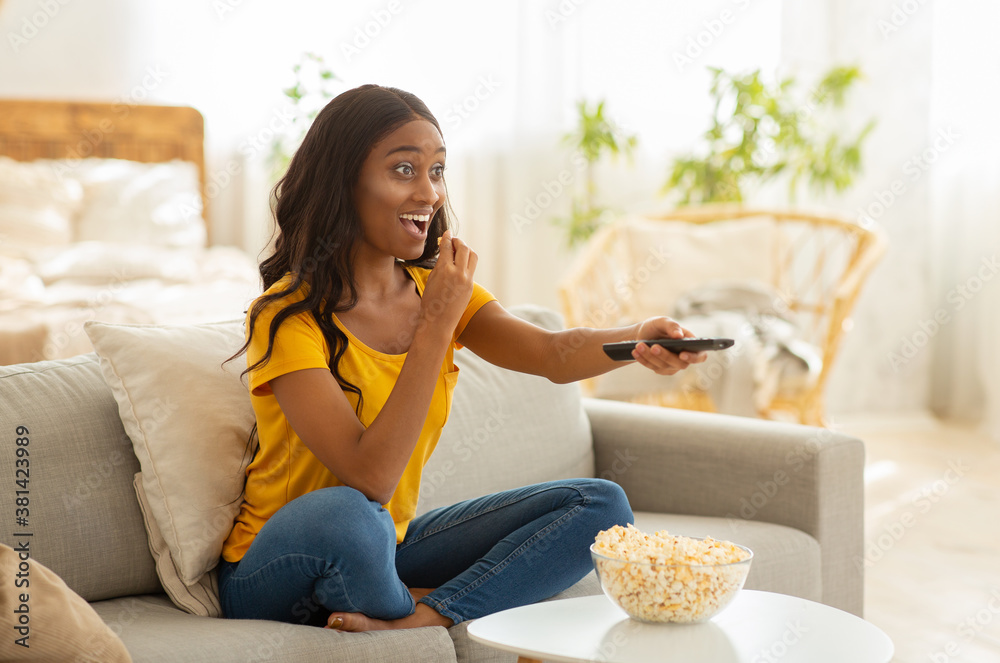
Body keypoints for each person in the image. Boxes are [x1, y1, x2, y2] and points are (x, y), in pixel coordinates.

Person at [218, 83, 707, 633]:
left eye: (438, 170)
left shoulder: (438, 292)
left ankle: (421, 615)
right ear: (344, 181)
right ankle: (421, 599)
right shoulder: (285, 315)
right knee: (350, 515)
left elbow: (551, 354)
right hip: (274, 567)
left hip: (387, 542)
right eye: (404, 169)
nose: (429, 192)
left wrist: (638, 339)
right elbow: (371, 477)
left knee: (600, 507)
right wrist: (435, 328)